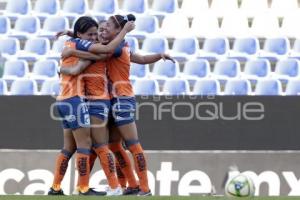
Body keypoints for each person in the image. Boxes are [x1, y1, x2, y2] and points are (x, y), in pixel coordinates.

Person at [60, 14, 174, 196]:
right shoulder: (120, 45)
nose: (102, 32)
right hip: (112, 99)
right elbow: (141, 59)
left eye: (106, 29)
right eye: (101, 29)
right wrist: (159, 55)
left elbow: (100, 53)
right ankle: (129, 185)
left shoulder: (118, 46)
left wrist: (72, 50)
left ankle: (144, 188)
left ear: (118, 32)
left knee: (132, 144)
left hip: (121, 98)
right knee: (114, 145)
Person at [49, 16, 135, 196]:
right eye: (91, 34)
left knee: (70, 147)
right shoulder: (92, 48)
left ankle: (56, 187)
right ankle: (94, 188)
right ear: (80, 34)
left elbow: (76, 66)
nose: (95, 37)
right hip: (78, 100)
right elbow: (98, 53)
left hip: (69, 100)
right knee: (92, 145)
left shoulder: (73, 44)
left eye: (97, 33)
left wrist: (62, 66)